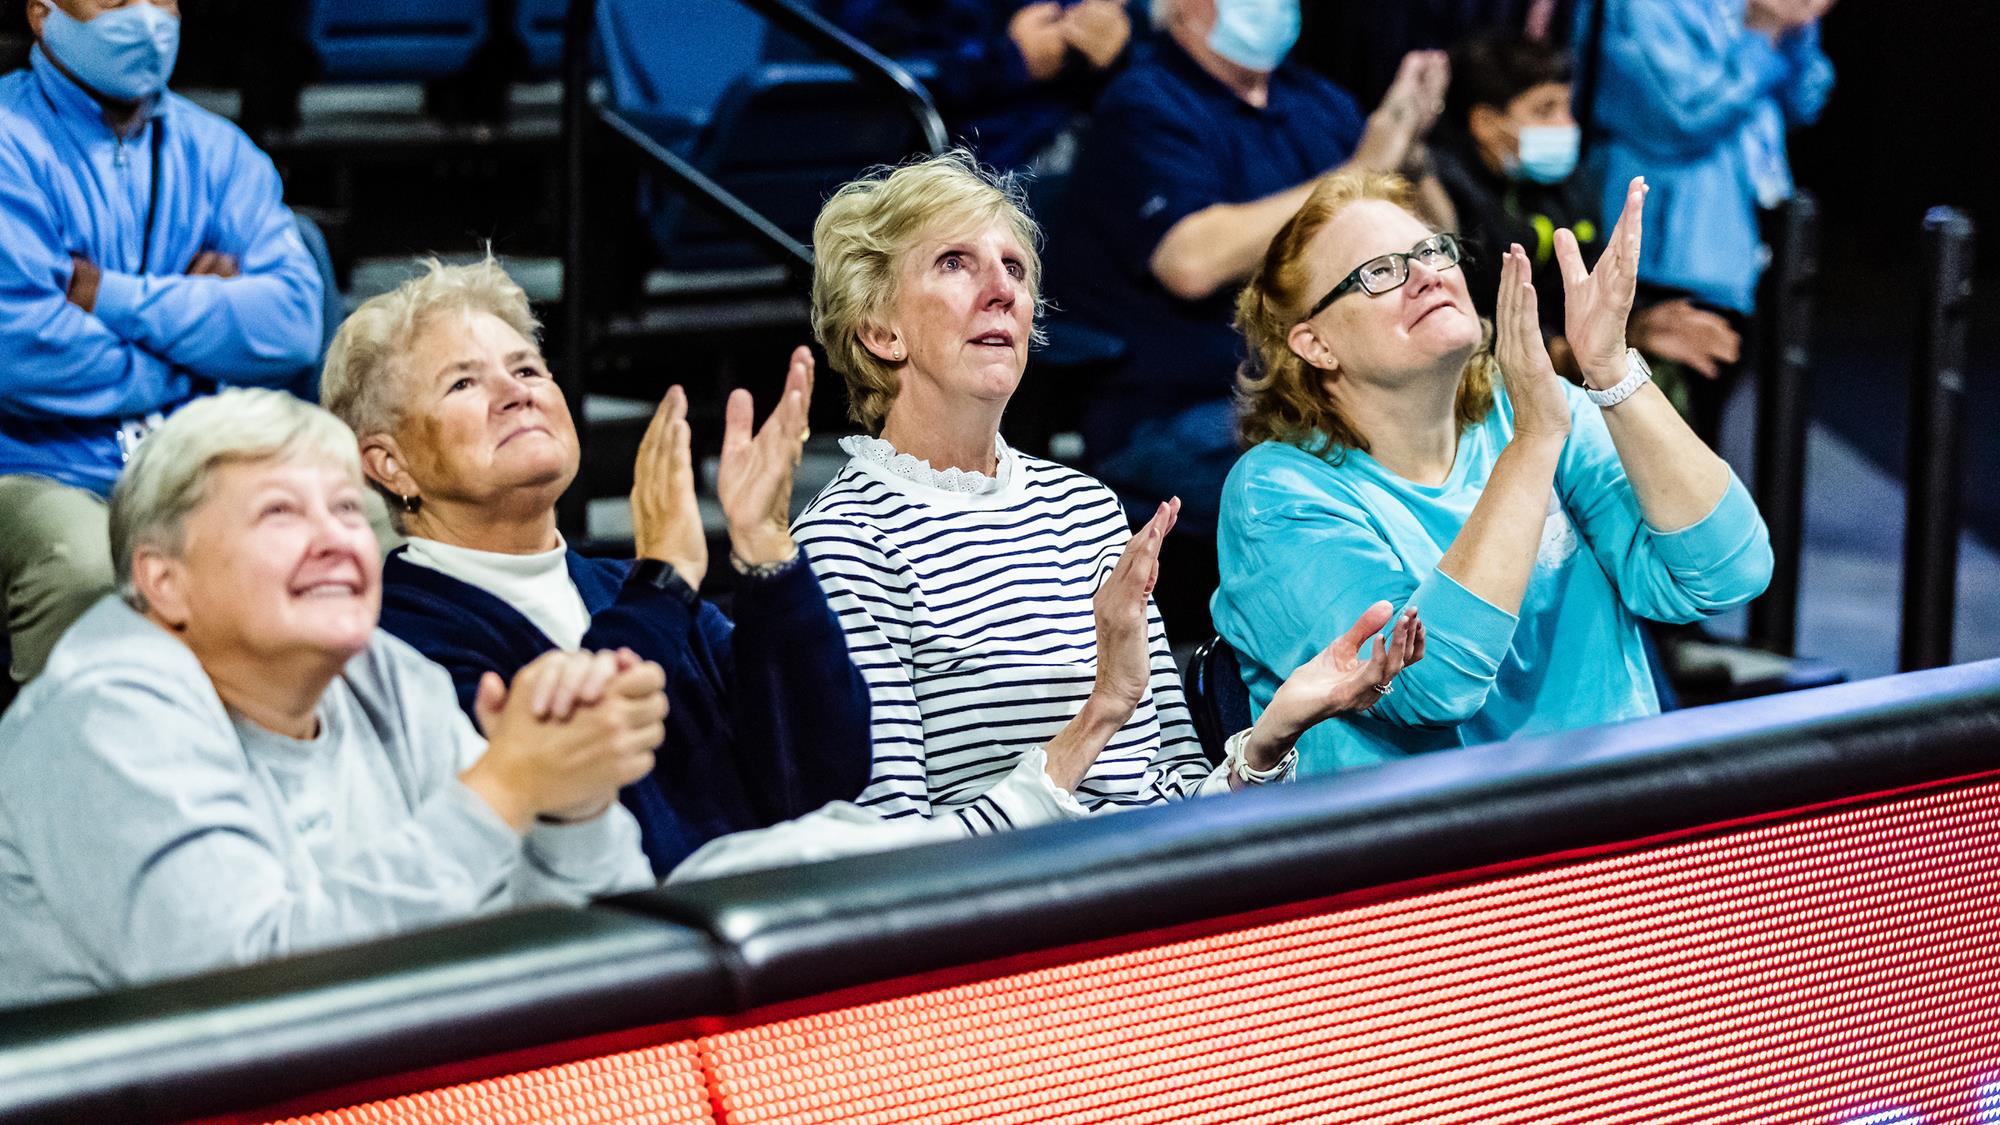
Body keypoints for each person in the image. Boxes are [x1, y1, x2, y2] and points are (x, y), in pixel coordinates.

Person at [783, 152, 1423, 848]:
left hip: (1149, 896)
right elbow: (887, 861)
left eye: (1015, 268)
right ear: (880, 331)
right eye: (955, 263)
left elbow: (1174, 800)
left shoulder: (1081, 506)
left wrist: (1271, 734)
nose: (1001, 291)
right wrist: (1098, 716)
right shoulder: (845, 545)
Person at [0, 390, 657, 1006]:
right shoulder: (103, 717)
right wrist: (505, 789)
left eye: (347, 509)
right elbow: (246, 1001)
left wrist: (573, 808)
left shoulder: (385, 675)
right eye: (280, 512)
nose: (336, 539)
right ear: (164, 581)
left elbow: (584, 962)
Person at [319, 258, 873, 877]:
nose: (517, 392)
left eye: (527, 367)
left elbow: (824, 775)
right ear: (388, 464)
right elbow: (559, 783)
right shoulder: (391, 637)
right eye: (463, 384)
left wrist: (767, 549)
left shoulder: (627, 591)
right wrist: (662, 579)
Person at [1215, 171, 1773, 775]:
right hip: (1428, 844)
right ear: (1316, 344)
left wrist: (1610, 368)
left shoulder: (1531, 409)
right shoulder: (1275, 494)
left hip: (1612, 814)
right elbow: (1428, 687)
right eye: (1379, 272)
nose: (1426, 273)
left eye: (1430, 250)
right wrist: (1534, 443)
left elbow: (1726, 574)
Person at [0, 0, 324, 684]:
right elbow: (24, 349)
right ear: (41, 14)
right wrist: (197, 353)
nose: (144, 17)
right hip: (38, 466)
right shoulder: (8, 141)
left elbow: (293, 320)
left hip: (194, 457)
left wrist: (111, 297)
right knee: (87, 570)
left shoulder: (219, 150)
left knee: (361, 537)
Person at [1051, 0, 1455, 537]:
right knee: (1372, 493)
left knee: (1472, 453)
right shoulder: (1144, 102)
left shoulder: (1321, 100)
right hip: (1183, 403)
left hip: (1332, 385)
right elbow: (1190, 261)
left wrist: (1413, 153)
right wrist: (1359, 170)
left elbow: (1437, 245)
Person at [1431, 32, 1741, 401]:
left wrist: (1638, 322)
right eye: (1545, 109)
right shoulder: (1440, 194)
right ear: (1485, 122)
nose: (1567, 125)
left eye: (1567, 107)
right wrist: (1565, 352)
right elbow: (1463, 319)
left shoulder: (1568, 184)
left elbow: (1592, 271)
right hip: (1476, 392)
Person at [1576, 0, 1834, 433]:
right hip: (1667, 256)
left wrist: (1799, 28)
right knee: (1654, 439)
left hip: (1741, 246)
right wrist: (1762, 32)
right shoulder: (1640, 7)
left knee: (1707, 429)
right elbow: (1682, 116)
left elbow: (1806, 100)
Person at [828, 0, 1135, 172]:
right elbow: (874, 60)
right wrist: (1012, 59)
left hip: (1068, 141)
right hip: (949, 158)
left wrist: (1116, 51)